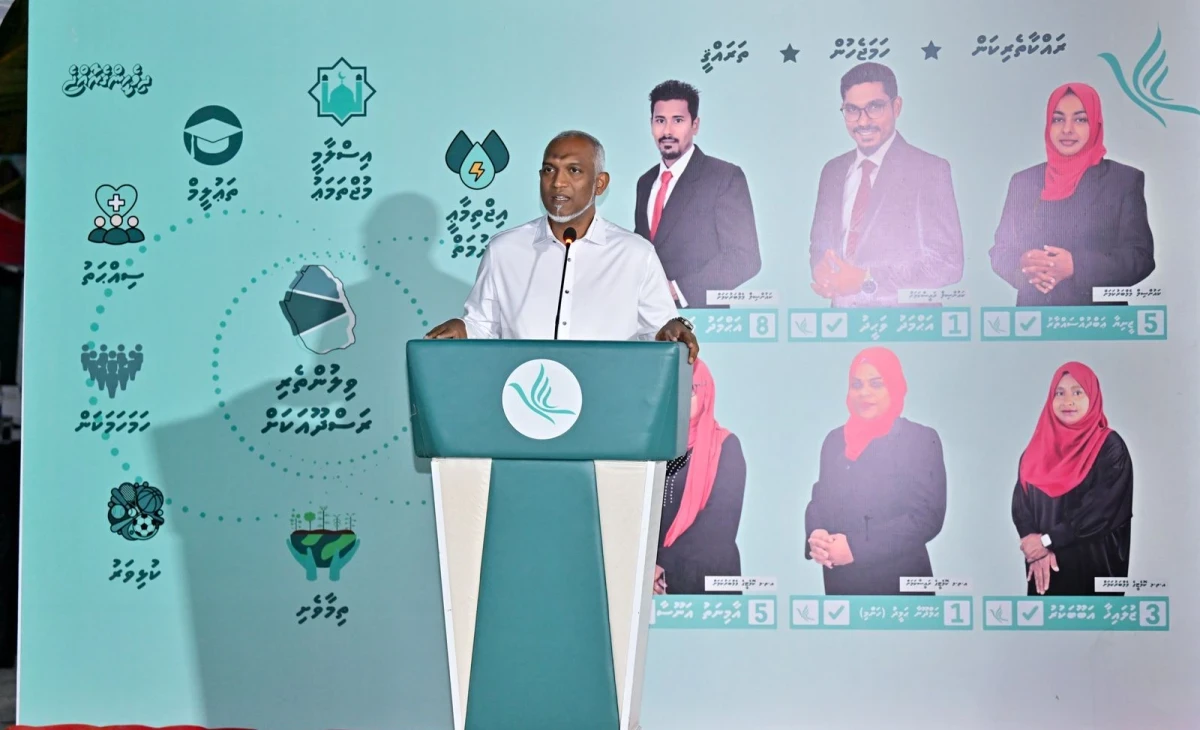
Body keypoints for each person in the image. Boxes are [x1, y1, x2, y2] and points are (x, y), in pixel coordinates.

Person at [425, 130, 699, 361]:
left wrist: (672, 331)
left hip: (609, 399)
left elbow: (659, 334)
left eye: (574, 170)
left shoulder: (635, 254)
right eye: (549, 170)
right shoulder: (504, 249)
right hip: (522, 397)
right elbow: (482, 325)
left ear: (600, 183)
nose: (557, 182)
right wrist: (463, 328)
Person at [808, 62, 964, 307]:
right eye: (852, 110)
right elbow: (820, 246)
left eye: (875, 107)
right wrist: (821, 269)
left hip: (908, 323)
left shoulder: (929, 169)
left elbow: (947, 263)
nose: (863, 121)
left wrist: (866, 280)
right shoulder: (832, 171)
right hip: (841, 321)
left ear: (896, 107)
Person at [988, 83, 1155, 306]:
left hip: (1099, 320)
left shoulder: (1122, 180)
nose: (1067, 129)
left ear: (1095, 124)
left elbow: (1140, 258)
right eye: (1058, 119)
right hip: (1034, 319)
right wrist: (1023, 264)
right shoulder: (1024, 181)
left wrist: (1077, 266)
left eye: (1080, 119)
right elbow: (1000, 252)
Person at [804, 347, 947, 595]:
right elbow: (820, 499)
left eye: (876, 383)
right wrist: (816, 534)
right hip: (842, 583)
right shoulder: (835, 441)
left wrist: (855, 548)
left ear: (894, 387)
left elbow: (926, 518)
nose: (864, 392)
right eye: (856, 384)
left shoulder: (920, 439)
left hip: (899, 586)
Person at [633, 80, 761, 309]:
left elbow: (744, 258)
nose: (667, 131)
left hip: (701, 318)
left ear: (695, 125)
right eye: (660, 120)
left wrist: (678, 290)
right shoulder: (645, 182)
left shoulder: (724, 177)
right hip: (647, 318)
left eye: (678, 120)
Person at [1010, 362, 1133, 596]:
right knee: (1045, 618)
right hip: (1045, 573)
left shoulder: (1109, 446)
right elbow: (1021, 506)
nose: (1068, 401)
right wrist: (1034, 546)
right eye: (1059, 393)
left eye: (1078, 392)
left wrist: (1046, 542)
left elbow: (1099, 512)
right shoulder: (1034, 451)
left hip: (1093, 569)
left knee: (1094, 620)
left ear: (1092, 398)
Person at [654, 358, 746, 595]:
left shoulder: (726, 446)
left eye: (690, 390)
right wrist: (646, 568)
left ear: (705, 393)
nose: (680, 399)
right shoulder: (652, 446)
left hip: (708, 582)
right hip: (653, 582)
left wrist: (662, 564)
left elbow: (720, 523)